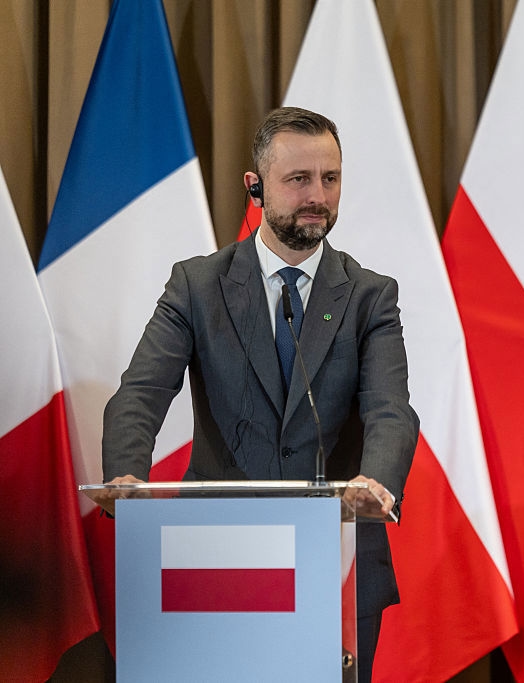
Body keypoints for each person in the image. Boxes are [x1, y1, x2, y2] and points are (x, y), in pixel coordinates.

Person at [103, 106, 419, 681]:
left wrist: (377, 483)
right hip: (219, 561)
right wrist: (127, 477)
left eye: (330, 178)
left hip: (337, 561)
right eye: (298, 180)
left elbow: (390, 410)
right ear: (255, 187)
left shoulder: (372, 297)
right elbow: (139, 395)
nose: (317, 196)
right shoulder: (197, 286)